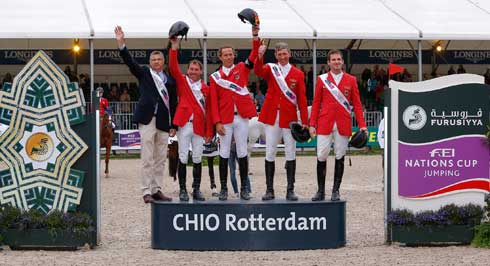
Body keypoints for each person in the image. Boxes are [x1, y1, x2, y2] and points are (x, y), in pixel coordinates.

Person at [115, 26, 177, 204]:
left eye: (159, 59)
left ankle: (157, 189)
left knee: (160, 158)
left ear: (163, 62)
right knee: (147, 157)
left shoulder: (169, 80)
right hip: (147, 119)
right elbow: (129, 62)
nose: (156, 62)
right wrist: (121, 44)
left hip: (164, 122)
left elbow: (173, 103)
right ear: (150, 62)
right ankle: (145, 191)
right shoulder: (144, 73)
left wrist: (175, 125)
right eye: (154, 59)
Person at [209, 25, 260, 201]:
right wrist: (216, 122)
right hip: (225, 119)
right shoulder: (215, 77)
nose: (229, 57)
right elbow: (213, 102)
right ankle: (223, 188)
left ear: (234, 55)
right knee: (223, 152)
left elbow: (254, 55)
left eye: (231, 54)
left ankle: (244, 188)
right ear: (220, 57)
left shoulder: (241, 68)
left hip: (242, 118)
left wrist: (255, 36)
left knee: (242, 151)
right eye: (226, 55)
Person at [309, 49, 368, 201]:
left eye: (338, 59)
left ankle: (336, 190)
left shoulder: (351, 80)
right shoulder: (321, 79)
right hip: (324, 122)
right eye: (333, 60)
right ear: (328, 62)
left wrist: (363, 125)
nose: (336, 62)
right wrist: (312, 124)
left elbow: (357, 104)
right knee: (321, 155)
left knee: (340, 155)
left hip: (343, 122)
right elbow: (316, 103)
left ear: (342, 61)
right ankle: (320, 191)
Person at [254, 42, 308, 201]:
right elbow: (257, 70)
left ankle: (290, 190)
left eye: (285, 54)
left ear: (289, 54)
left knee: (290, 151)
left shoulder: (298, 74)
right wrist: (260, 56)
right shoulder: (271, 69)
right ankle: (269, 189)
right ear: (276, 56)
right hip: (272, 115)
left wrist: (305, 121)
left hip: (289, 117)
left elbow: (302, 99)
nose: (282, 57)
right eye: (279, 54)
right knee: (270, 151)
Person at [169, 37, 213, 202]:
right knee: (182, 157)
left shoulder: (206, 89)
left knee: (197, 157)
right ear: (188, 70)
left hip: (199, 127)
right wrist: (174, 47)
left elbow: (208, 112)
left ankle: (196, 189)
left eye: (196, 69)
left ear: (201, 72)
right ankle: (182, 189)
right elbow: (173, 67)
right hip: (184, 125)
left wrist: (210, 131)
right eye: (191, 69)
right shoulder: (182, 81)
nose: (193, 71)